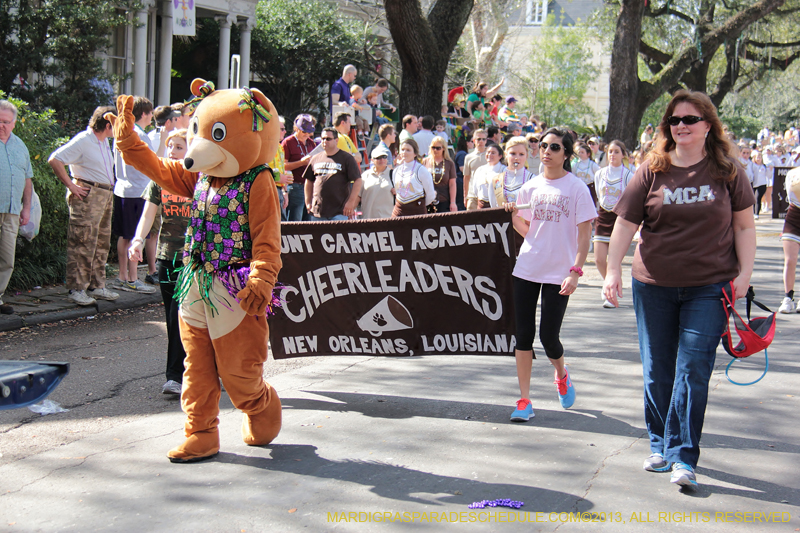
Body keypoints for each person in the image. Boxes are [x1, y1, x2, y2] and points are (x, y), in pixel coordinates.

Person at [603, 90, 756, 491]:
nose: (681, 126)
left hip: (710, 285)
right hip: (654, 285)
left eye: (690, 119)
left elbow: (744, 226)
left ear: (708, 125)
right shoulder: (652, 169)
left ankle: (684, 455)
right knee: (658, 370)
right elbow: (624, 224)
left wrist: (745, 274)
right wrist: (612, 271)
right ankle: (660, 442)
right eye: (674, 120)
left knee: (693, 370)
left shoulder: (728, 170)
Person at [505, 127, 595, 423]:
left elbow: (584, 236)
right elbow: (528, 229)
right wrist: (513, 215)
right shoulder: (530, 187)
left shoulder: (577, 188)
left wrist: (576, 271)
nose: (546, 151)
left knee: (548, 337)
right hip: (527, 266)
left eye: (554, 147)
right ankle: (524, 399)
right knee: (523, 335)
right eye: (543, 145)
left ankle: (561, 373)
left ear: (566, 153)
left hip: (560, 271)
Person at [128, 129, 191, 395]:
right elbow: (147, 216)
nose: (173, 152)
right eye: (170, 147)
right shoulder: (159, 181)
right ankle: (182, 375)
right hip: (167, 257)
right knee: (172, 316)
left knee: (184, 314)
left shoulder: (200, 179)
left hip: (194, 260)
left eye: (179, 147)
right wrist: (137, 241)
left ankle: (178, 376)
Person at [48, 106, 120, 306]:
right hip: (89, 194)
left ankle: (97, 285)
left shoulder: (104, 142)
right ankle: (76, 288)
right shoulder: (83, 140)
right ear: (108, 124)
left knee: (101, 242)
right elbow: (55, 159)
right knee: (83, 241)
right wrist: (71, 185)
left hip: (104, 194)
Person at [112, 96, 157, 294]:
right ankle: (132, 278)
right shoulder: (140, 135)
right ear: (144, 114)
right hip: (138, 190)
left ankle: (122, 276)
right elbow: (150, 163)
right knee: (134, 237)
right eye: (150, 113)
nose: (152, 117)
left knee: (124, 236)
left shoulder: (121, 132)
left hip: (121, 188)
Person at [0, 100, 33, 315]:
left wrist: (26, 208)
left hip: (12, 211)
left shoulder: (20, 146)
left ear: (14, 123)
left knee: (6, 257)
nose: (1, 125)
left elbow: (27, 180)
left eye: (5, 122)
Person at [593, 140, 633, 308]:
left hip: (619, 218)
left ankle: (611, 293)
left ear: (623, 154)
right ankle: (608, 282)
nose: (612, 155)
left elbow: (632, 199)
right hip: (603, 217)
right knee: (599, 259)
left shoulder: (628, 175)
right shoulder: (600, 174)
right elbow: (598, 194)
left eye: (616, 151)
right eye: (610, 151)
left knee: (614, 261)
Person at [303, 127, 362, 221]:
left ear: (336, 140)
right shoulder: (315, 158)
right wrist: (308, 202)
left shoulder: (347, 158)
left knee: (338, 236)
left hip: (339, 211)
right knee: (318, 236)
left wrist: (351, 202)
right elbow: (309, 181)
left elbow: (357, 180)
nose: (325, 141)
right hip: (318, 211)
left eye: (328, 139)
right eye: (323, 139)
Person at [282, 114, 317, 221]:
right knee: (295, 220)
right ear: (296, 128)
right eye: (304, 131)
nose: (307, 134)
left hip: (310, 185)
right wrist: (300, 163)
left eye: (309, 132)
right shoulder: (287, 142)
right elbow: (283, 166)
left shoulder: (311, 143)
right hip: (295, 185)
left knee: (309, 220)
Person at [392, 138, 435, 217]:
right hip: (399, 212)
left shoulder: (421, 170)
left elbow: (431, 195)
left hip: (417, 212)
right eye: (402, 149)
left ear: (415, 153)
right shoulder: (396, 171)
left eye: (408, 150)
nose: (404, 152)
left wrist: (419, 205)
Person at [778, 167, 800, 313]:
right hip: (794, 216)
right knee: (790, 260)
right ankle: (788, 297)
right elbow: (790, 195)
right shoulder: (793, 173)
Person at [423, 136, 457, 212]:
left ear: (443, 148)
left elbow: (452, 184)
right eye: (433, 147)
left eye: (438, 148)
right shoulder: (425, 161)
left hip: (444, 200)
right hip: (428, 201)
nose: (435, 150)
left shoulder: (449, 163)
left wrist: (453, 202)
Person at [360, 148, 395, 219]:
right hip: (368, 220)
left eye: (384, 157)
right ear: (372, 160)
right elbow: (357, 197)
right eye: (378, 158)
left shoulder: (394, 175)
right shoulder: (365, 175)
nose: (382, 160)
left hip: (389, 221)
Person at [270, 116, 293, 220]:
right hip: (269, 190)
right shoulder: (265, 146)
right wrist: (277, 177)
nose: (285, 132)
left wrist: (285, 192)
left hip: (280, 191)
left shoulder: (280, 147)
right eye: (282, 129)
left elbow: (282, 170)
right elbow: (261, 167)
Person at [471, 143, 507, 209]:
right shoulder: (480, 170)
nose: (490, 155)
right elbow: (475, 190)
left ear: (500, 156)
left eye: (493, 153)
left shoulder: (504, 170)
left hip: (498, 206)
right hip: (481, 205)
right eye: (488, 152)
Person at [463, 129, 489, 210]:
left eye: (483, 139)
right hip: (472, 195)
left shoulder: (491, 155)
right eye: (478, 139)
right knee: (471, 220)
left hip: (487, 195)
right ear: (474, 140)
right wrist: (465, 196)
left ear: (486, 141)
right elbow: (466, 177)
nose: (481, 141)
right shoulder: (468, 157)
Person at [573, 142, 600, 207]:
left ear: (588, 154)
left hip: (590, 188)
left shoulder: (592, 165)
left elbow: (599, 176)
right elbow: (573, 176)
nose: (580, 154)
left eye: (582, 152)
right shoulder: (576, 165)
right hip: (579, 188)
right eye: (579, 152)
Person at [453, 135, 472, 210]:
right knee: (461, 204)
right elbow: (462, 169)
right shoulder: (462, 154)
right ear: (467, 143)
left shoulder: (461, 153)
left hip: (461, 182)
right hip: (460, 182)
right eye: (471, 141)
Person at [752, 150, 768, 219]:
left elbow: (768, 175)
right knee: (753, 199)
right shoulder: (752, 165)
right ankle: (752, 213)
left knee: (757, 198)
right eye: (757, 157)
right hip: (754, 184)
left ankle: (756, 213)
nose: (758, 159)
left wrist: (770, 169)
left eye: (760, 157)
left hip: (762, 184)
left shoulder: (764, 166)